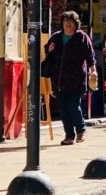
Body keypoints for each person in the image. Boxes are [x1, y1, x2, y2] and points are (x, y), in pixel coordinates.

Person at [42, 11, 98, 145]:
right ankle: (69, 135)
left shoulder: (82, 37)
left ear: (76, 24)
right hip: (58, 80)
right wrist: (48, 50)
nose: (67, 23)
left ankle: (81, 130)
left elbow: (90, 57)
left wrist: (93, 72)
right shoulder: (56, 37)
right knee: (63, 109)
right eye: (65, 20)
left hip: (76, 79)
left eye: (71, 21)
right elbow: (47, 51)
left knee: (73, 106)